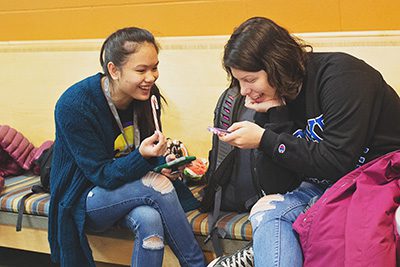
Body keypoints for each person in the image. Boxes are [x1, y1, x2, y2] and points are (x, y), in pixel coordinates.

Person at [208, 17, 400, 267]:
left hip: (378, 179)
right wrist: (275, 118)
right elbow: (277, 184)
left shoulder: (342, 76)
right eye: (239, 81)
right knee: (267, 208)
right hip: (326, 186)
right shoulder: (275, 97)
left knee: (346, 225)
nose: (244, 91)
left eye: (250, 79)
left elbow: (337, 161)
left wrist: (266, 139)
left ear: (275, 65)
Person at [48, 27, 205, 267]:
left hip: (128, 187)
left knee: (150, 219)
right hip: (83, 196)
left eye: (155, 67)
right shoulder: (74, 105)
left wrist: (163, 164)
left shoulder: (147, 97)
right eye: (141, 70)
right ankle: (197, 264)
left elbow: (145, 158)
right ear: (114, 70)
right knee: (157, 185)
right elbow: (101, 174)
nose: (151, 77)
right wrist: (144, 160)